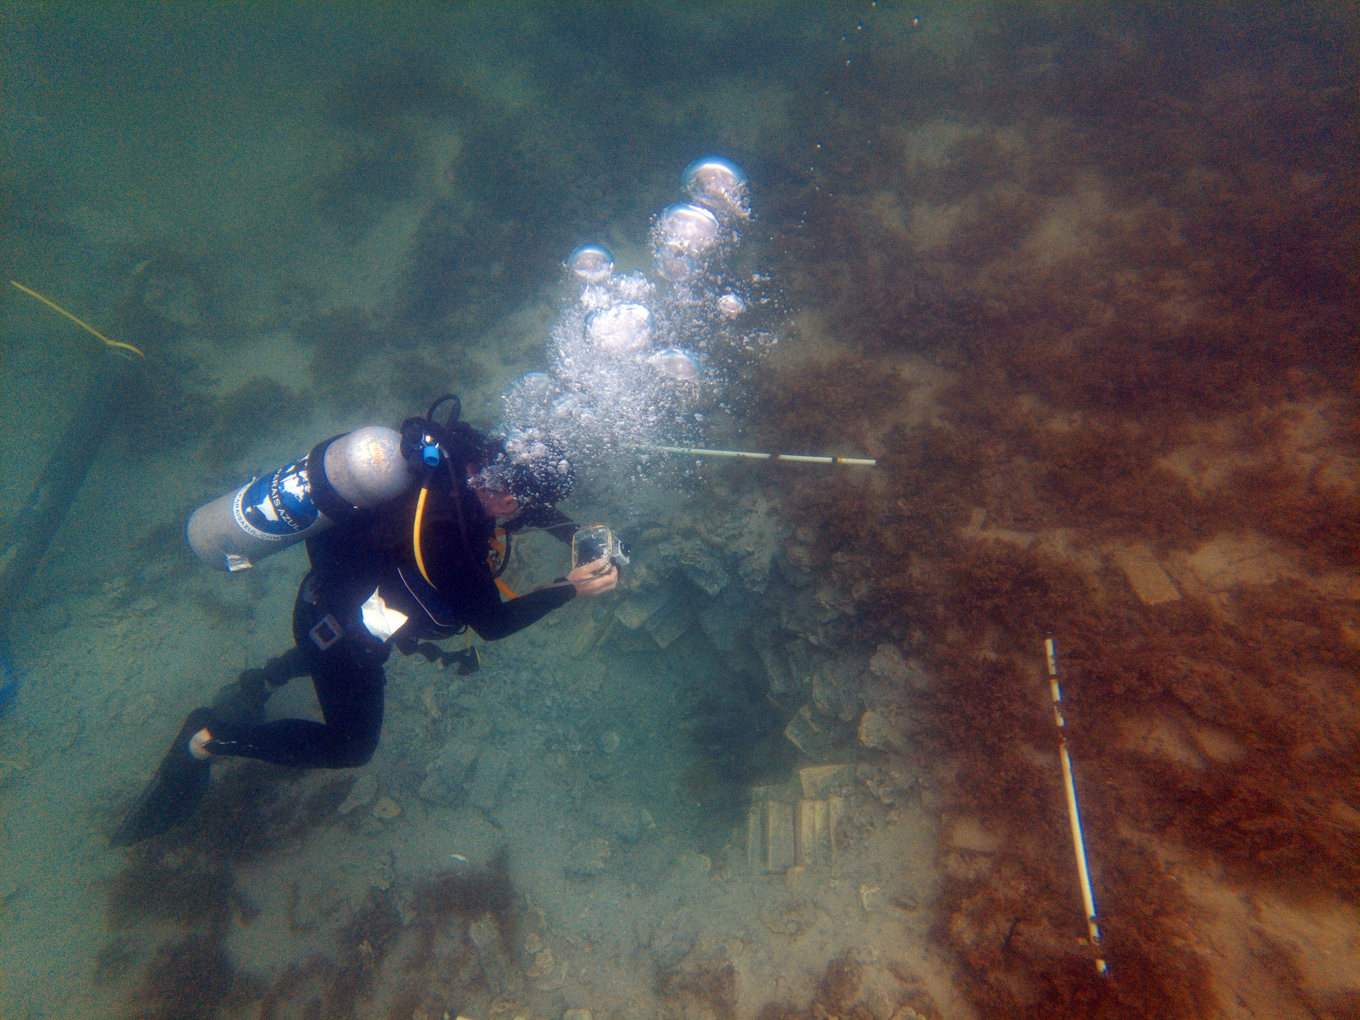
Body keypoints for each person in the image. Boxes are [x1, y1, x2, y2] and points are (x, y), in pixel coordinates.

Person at [113, 397, 617, 845]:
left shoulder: (463, 451)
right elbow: (494, 624)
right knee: (350, 746)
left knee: (330, 644)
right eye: (525, 505)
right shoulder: (452, 547)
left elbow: (517, 500)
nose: (525, 513)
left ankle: (265, 679)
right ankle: (206, 739)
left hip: (323, 601)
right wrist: (569, 587)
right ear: (509, 499)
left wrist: (580, 531)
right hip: (342, 637)